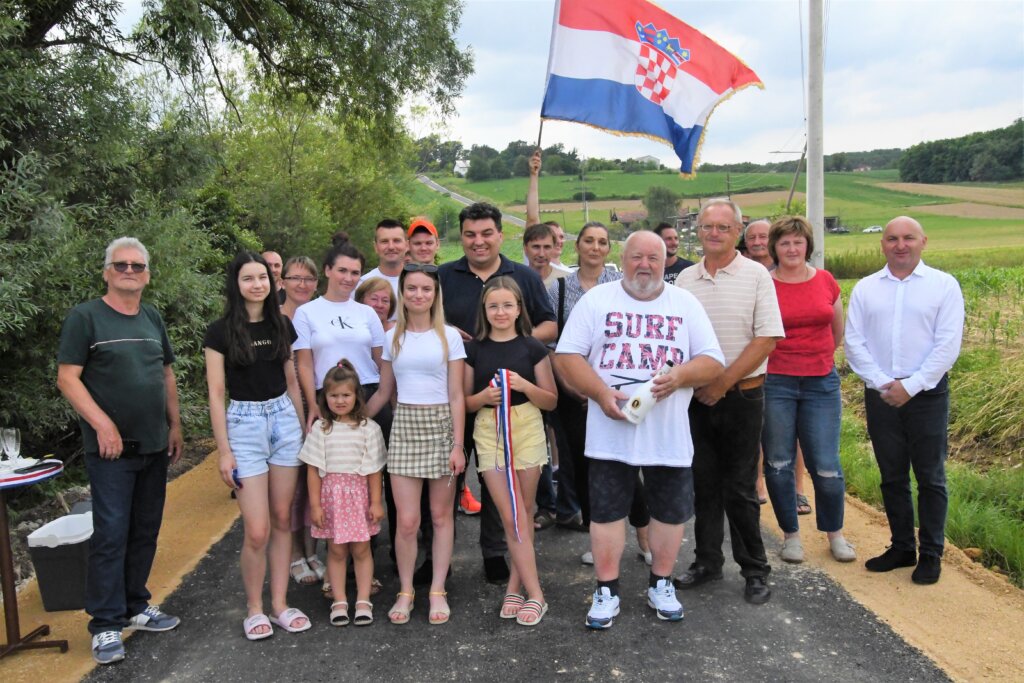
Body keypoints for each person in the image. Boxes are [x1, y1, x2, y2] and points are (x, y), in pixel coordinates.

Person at [554, 231, 724, 629]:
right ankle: (606, 590)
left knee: (670, 511)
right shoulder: (598, 300)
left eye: (653, 258)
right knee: (608, 512)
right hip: (610, 432)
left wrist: (680, 375)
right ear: (623, 258)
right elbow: (566, 356)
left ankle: (661, 584)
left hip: (668, 433)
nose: (644, 265)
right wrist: (598, 393)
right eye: (636, 257)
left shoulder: (684, 303)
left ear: (666, 261)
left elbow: (713, 361)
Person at [57, 237, 183, 665]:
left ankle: (134, 605)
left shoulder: (151, 316)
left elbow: (165, 374)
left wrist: (175, 424)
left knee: (145, 530)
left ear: (147, 274)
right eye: (121, 265)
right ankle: (106, 624)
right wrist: (102, 423)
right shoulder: (86, 318)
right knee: (111, 534)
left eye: (137, 266)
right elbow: (68, 378)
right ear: (107, 271)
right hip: (110, 451)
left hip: (153, 445)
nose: (130, 271)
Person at [438, 202, 556, 584]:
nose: (478, 241)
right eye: (470, 234)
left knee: (499, 481)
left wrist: (510, 344)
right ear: (461, 236)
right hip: (458, 392)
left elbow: (550, 324)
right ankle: (437, 557)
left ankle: (495, 552)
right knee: (448, 476)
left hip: (511, 397)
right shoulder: (443, 276)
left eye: (487, 233)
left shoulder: (523, 276)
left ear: (500, 235)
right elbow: (422, 320)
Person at [675, 198, 784, 605]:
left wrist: (722, 382)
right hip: (696, 400)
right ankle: (706, 562)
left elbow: (767, 338)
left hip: (741, 396)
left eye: (723, 227)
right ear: (698, 232)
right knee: (703, 485)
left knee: (739, 488)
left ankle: (755, 570)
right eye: (707, 227)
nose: (714, 234)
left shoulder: (756, 275)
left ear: (737, 232)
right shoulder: (685, 279)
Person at [845, 216, 964, 585]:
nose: (901, 245)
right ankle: (901, 547)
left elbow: (947, 345)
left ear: (923, 241)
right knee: (892, 474)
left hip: (926, 394)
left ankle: (931, 553)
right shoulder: (866, 289)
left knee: (930, 477)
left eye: (908, 238)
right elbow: (854, 343)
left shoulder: (944, 286)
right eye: (893, 238)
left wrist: (911, 386)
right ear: (882, 244)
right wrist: (884, 383)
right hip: (881, 394)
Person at [204, 252, 310, 641]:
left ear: (271, 281)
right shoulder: (219, 333)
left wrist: (302, 429)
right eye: (248, 279)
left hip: (284, 420)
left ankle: (280, 604)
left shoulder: (282, 324)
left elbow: (293, 381)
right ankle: (254, 608)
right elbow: (216, 393)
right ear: (236, 285)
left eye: (262, 278)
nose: (257, 285)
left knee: (283, 518)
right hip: (244, 425)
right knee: (258, 530)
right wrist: (224, 450)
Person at [366, 263, 466, 624]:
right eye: (411, 289)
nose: (418, 295)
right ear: (402, 293)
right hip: (405, 425)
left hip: (441, 425)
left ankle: (437, 589)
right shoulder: (394, 336)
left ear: (435, 294)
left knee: (440, 517)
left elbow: (456, 395)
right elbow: (383, 391)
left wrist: (458, 445)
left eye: (426, 289)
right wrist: (354, 420)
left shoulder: (449, 336)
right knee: (406, 522)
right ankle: (406, 590)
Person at [547, 223, 653, 564]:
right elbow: (554, 344)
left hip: (618, 390)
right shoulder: (559, 288)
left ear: (610, 250)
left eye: (602, 242)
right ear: (577, 246)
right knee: (583, 466)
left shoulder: (624, 287)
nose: (595, 247)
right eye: (588, 241)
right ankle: (598, 540)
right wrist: (570, 384)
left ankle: (643, 534)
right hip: (572, 393)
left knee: (626, 463)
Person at [761, 217, 856, 564]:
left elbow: (837, 330)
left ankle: (835, 534)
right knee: (779, 462)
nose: (791, 249)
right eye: (784, 243)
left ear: (807, 246)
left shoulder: (826, 281)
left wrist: (816, 359)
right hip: (776, 382)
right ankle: (791, 536)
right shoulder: (764, 284)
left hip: (821, 382)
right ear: (775, 248)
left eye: (797, 243)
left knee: (827, 465)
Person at [465, 277, 558, 626]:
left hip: (527, 427)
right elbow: (465, 402)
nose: (500, 312)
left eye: (507, 305)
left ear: (519, 308)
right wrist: (484, 398)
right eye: (493, 306)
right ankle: (536, 593)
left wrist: (525, 386)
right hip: (490, 431)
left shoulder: (532, 347)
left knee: (525, 510)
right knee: (510, 514)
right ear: (484, 311)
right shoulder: (474, 350)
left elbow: (551, 399)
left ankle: (516, 587)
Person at [300, 361, 386, 626]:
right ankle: (339, 600)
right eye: (334, 395)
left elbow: (374, 470)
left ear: (356, 396)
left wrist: (376, 502)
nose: (340, 400)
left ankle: (362, 600)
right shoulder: (320, 429)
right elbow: (313, 471)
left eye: (345, 395)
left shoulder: (369, 429)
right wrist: (315, 506)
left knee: (361, 550)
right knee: (336, 551)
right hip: (332, 499)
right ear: (324, 397)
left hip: (359, 498)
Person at [743, 218, 810, 510]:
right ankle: (758, 481)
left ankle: (798, 487)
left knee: (793, 432)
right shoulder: (748, 276)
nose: (758, 242)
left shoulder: (796, 274)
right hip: (758, 364)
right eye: (752, 237)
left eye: (763, 236)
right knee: (758, 429)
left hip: (793, 365)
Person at [279, 256, 325, 586]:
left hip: (319, 406)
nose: (302, 284)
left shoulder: (319, 316)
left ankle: (312, 551)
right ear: (281, 282)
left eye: (309, 279)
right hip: (285, 411)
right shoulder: (276, 319)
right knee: (294, 490)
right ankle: (295, 555)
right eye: (295, 278)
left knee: (315, 487)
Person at [360, 219, 408, 321]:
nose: (391, 247)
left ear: (407, 245)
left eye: (396, 241)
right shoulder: (363, 284)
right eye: (384, 241)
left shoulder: (420, 285)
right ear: (376, 247)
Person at [524, 223, 571, 288]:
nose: (541, 254)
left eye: (547, 247)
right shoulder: (514, 281)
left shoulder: (566, 280)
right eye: (536, 247)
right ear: (525, 249)